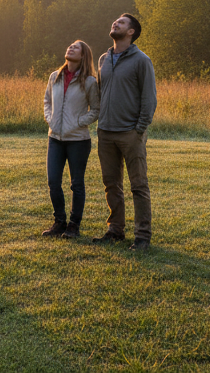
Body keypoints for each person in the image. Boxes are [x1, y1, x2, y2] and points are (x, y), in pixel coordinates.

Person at [92, 13, 157, 251]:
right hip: (105, 132)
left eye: (121, 22)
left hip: (130, 133)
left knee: (138, 186)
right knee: (111, 184)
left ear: (131, 32)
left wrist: (139, 128)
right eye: (115, 21)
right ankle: (115, 230)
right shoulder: (103, 59)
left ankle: (142, 237)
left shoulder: (142, 60)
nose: (115, 23)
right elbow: (100, 92)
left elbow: (149, 98)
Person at [40, 40, 100, 238]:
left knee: (77, 184)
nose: (71, 48)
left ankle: (74, 225)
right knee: (53, 182)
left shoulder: (90, 82)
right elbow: (47, 101)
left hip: (78, 140)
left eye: (76, 48)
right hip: (55, 138)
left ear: (83, 56)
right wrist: (50, 119)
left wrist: (79, 122)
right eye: (70, 46)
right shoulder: (54, 77)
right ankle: (59, 222)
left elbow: (96, 110)